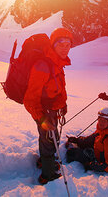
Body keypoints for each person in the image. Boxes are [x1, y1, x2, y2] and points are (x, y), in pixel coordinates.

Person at [23, 27, 73, 185]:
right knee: (50, 140)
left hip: (51, 111)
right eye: (61, 44)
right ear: (53, 45)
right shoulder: (43, 65)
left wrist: (62, 104)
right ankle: (48, 174)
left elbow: (59, 88)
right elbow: (30, 99)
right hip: (43, 111)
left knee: (49, 139)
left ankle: (45, 162)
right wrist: (43, 118)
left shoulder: (57, 63)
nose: (65, 48)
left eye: (68, 44)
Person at [65, 107, 108, 173]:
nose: (101, 123)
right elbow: (88, 140)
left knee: (71, 153)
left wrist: (92, 165)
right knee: (80, 144)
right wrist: (76, 140)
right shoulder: (101, 131)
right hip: (95, 152)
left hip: (98, 162)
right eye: (100, 120)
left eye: (104, 121)